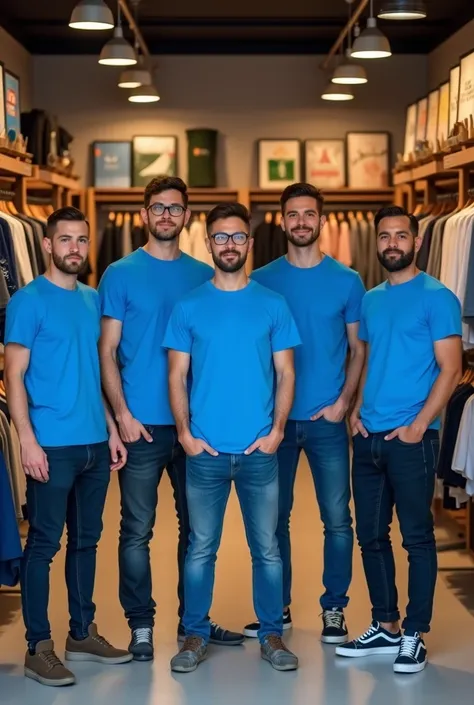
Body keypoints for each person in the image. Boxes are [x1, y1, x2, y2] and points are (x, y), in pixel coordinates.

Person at [98, 177, 242, 661]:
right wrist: (120, 414)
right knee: (136, 529)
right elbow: (108, 349)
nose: (166, 215)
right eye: (157, 207)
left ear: (186, 217)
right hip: (140, 426)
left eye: (175, 208)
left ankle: (192, 624)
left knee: (197, 532)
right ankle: (141, 625)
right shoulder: (119, 274)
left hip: (194, 426)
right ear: (143, 213)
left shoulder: (204, 274)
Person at [164, 202, 301, 673]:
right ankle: (195, 635)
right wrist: (184, 434)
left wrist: (277, 431)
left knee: (267, 549)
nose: (228, 245)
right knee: (201, 547)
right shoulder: (188, 305)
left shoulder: (273, 304)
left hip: (259, 452)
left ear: (249, 242)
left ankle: (271, 636)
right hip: (204, 452)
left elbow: (286, 373)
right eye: (220, 237)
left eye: (237, 237)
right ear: (208, 242)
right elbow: (177, 375)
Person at [4, 207, 132, 688]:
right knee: (42, 546)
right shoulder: (27, 302)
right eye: (65, 240)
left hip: (94, 445)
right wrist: (27, 442)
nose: (74, 248)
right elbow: (13, 375)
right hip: (51, 448)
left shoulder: (91, 298)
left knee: (86, 542)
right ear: (47, 245)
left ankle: (82, 632)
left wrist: (112, 429)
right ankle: (40, 646)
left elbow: (93, 370)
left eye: (81, 240)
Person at [336, 205, 462, 673]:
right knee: (370, 535)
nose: (392, 243)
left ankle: (415, 634)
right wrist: (354, 413)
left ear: (417, 242)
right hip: (368, 436)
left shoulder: (438, 297)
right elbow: (367, 359)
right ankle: (385, 626)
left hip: (412, 439)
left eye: (401, 236)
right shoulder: (370, 299)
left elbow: (451, 369)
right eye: (385, 236)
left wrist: (419, 425)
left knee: (417, 538)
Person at [246, 183, 366, 643]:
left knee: (337, 518)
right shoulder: (261, 280)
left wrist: (343, 404)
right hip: (274, 423)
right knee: (273, 521)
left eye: (309, 214)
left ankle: (334, 609)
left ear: (321, 219)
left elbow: (358, 349)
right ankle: (279, 610)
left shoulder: (348, 281)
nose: (301, 222)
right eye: (293, 214)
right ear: (282, 220)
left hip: (326, 422)